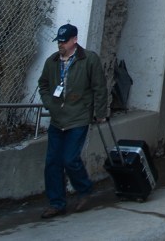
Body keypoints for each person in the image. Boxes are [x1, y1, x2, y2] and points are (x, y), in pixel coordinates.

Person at [37, 23, 109, 218]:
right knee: (52, 162)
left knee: (69, 158)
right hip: (57, 119)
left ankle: (85, 189)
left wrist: (100, 112)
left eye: (64, 41)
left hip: (78, 117)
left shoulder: (89, 59)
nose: (60, 44)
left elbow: (99, 87)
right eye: (59, 41)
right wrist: (49, 103)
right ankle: (57, 203)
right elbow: (43, 84)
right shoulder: (52, 62)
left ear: (74, 40)